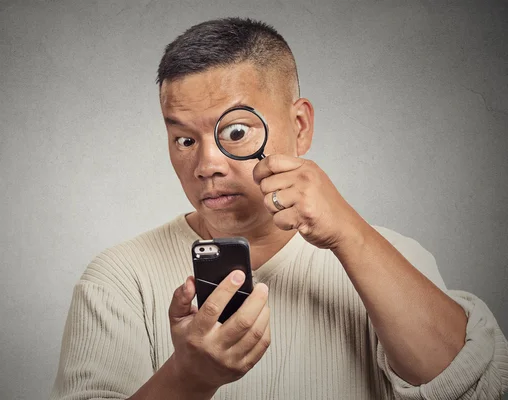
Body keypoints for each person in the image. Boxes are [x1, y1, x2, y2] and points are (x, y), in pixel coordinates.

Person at [49, 18, 508, 399]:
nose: (207, 165)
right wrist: (189, 378)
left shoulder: (393, 257)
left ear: (300, 125)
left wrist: (349, 232)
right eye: (185, 140)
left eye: (235, 132)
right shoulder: (117, 279)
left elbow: (480, 388)